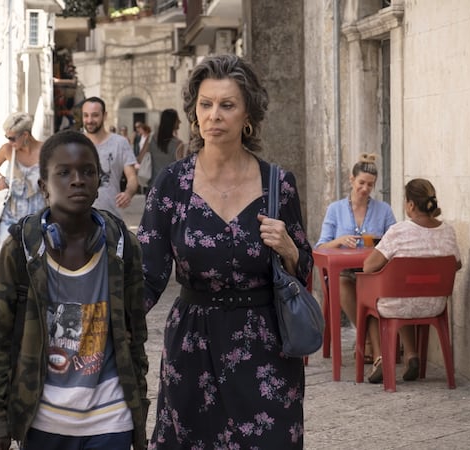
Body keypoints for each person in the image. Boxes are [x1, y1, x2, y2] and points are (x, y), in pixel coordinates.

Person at [139, 54, 313, 448]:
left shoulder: (277, 184)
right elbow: (147, 277)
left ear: (247, 114)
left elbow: (302, 271)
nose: (214, 115)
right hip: (192, 346)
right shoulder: (173, 184)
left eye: (227, 105)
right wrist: (105, 326)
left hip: (264, 347)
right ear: (194, 111)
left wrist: (288, 250)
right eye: (205, 104)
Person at [0, 130, 149, 450]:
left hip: (111, 419)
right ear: (44, 186)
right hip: (42, 422)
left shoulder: (123, 248)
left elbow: (135, 335)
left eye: (87, 172)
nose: (77, 180)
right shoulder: (21, 249)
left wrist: (138, 412)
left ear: (99, 183)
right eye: (64, 172)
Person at [362, 178, 462, 384]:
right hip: (434, 305)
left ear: (410, 205)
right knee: (403, 290)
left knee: (371, 301)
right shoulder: (448, 231)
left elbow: (368, 266)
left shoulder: (399, 231)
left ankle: (381, 359)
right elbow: (456, 264)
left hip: (398, 304)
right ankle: (411, 355)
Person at [315, 153, 396, 364]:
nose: (365, 188)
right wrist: (340, 240)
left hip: (373, 271)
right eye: (361, 183)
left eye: (371, 185)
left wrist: (380, 242)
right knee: (342, 283)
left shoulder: (384, 210)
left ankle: (368, 343)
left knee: (367, 286)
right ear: (351, 180)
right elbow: (321, 246)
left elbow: (395, 241)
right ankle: (368, 338)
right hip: (344, 273)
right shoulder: (335, 210)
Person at [0, 112, 46, 249]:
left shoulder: (45, 150)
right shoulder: (8, 150)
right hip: (10, 219)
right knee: (7, 263)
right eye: (7, 137)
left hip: (37, 220)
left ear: (25, 135)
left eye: (12, 138)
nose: (9, 142)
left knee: (34, 265)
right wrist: (0, 179)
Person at [81, 97, 139, 219]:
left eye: (95, 115)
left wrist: (128, 193)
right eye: (86, 115)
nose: (89, 120)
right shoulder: (75, 143)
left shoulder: (120, 143)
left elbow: (132, 177)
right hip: (80, 218)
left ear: (105, 115)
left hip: (111, 218)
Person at [135, 109, 184, 188]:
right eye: (177, 119)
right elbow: (180, 168)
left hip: (153, 186)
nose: (180, 122)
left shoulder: (151, 138)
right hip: (170, 186)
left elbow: (140, 159)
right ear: (172, 122)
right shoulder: (178, 144)